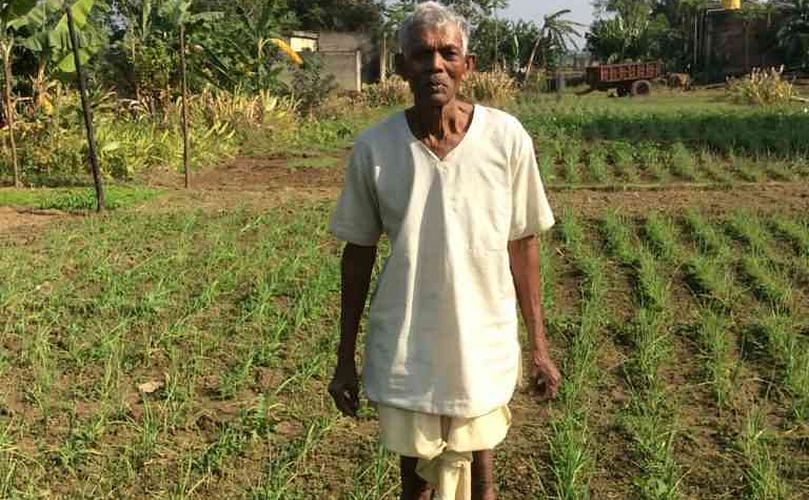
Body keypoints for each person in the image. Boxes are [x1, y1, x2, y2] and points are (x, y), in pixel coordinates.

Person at [327, 3, 560, 499]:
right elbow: (358, 254)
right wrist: (344, 358)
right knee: (414, 482)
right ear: (401, 67)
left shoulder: (506, 138)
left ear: (467, 65)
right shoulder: (375, 148)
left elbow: (523, 243)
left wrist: (539, 346)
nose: (435, 65)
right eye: (422, 54)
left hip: (482, 337)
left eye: (447, 53)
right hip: (407, 341)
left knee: (483, 474)